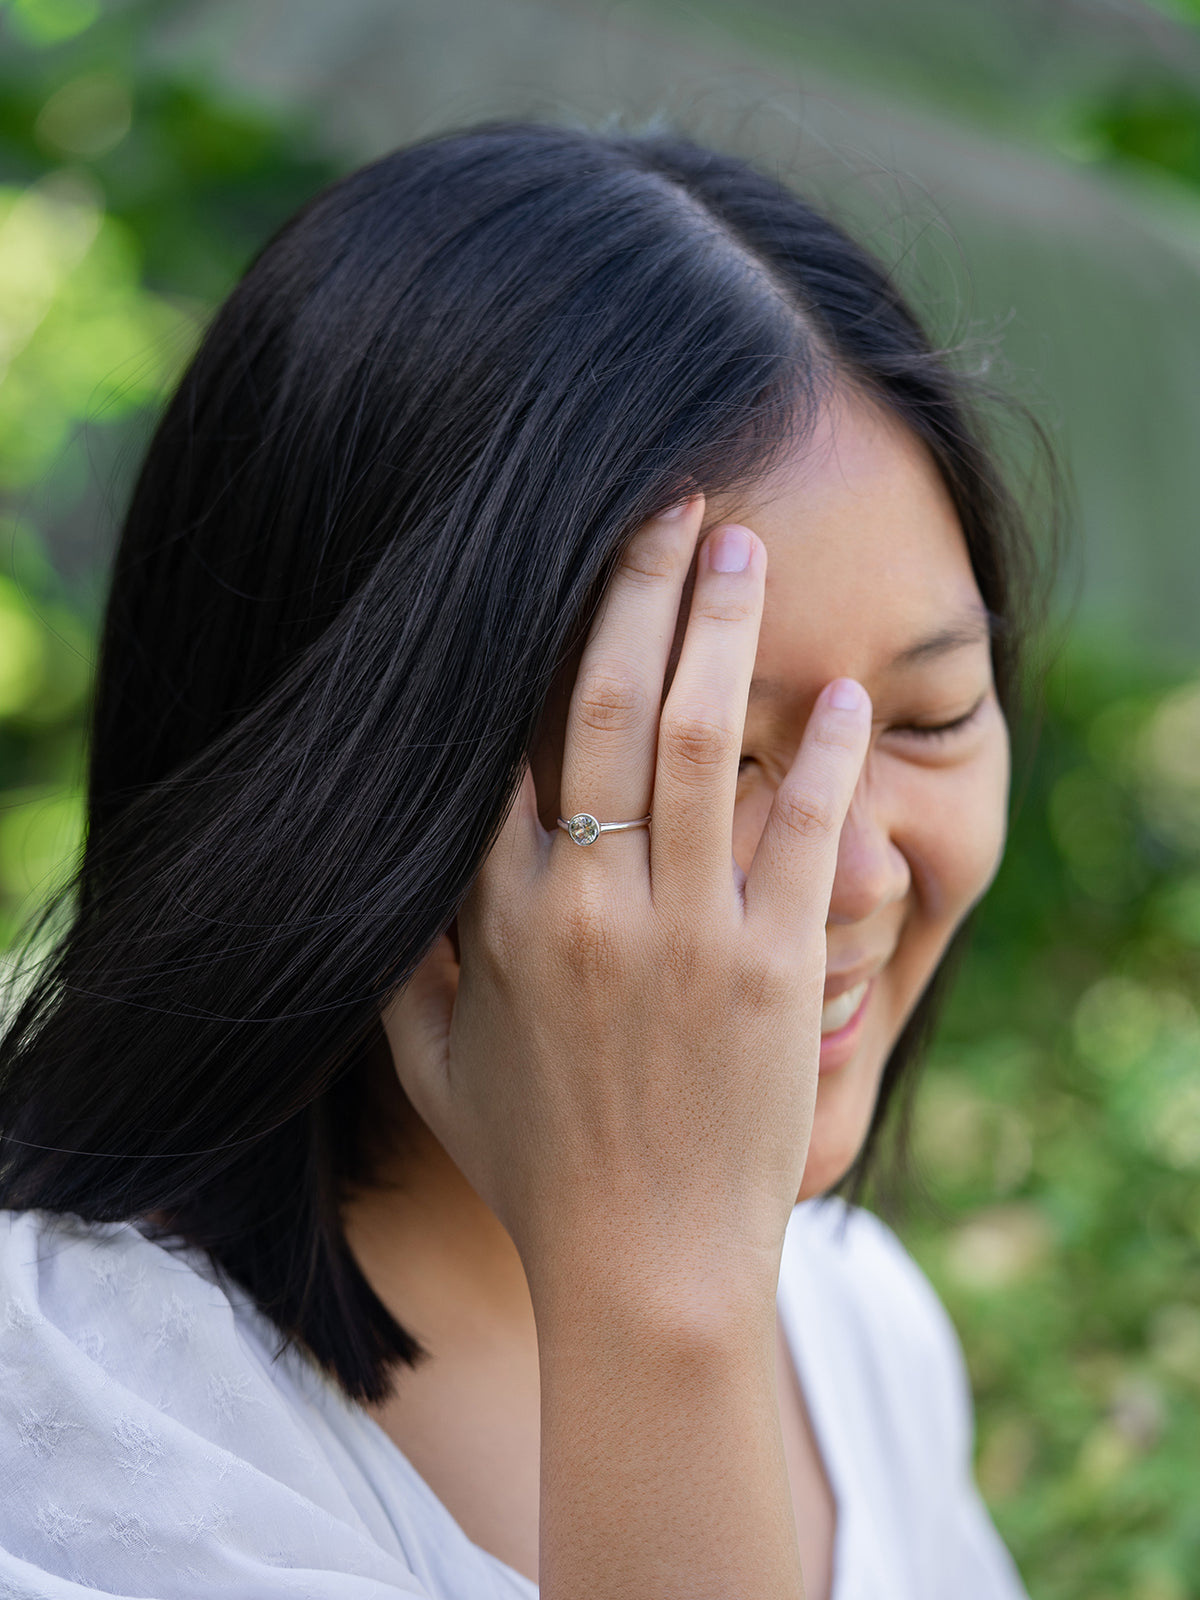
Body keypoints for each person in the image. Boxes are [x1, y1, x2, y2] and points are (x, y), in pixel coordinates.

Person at [0, 121, 1048, 1598]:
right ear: (352, 787)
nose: (855, 871)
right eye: (705, 763)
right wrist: (660, 1303)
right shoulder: (80, 1423)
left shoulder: (851, 1321)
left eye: (932, 718)